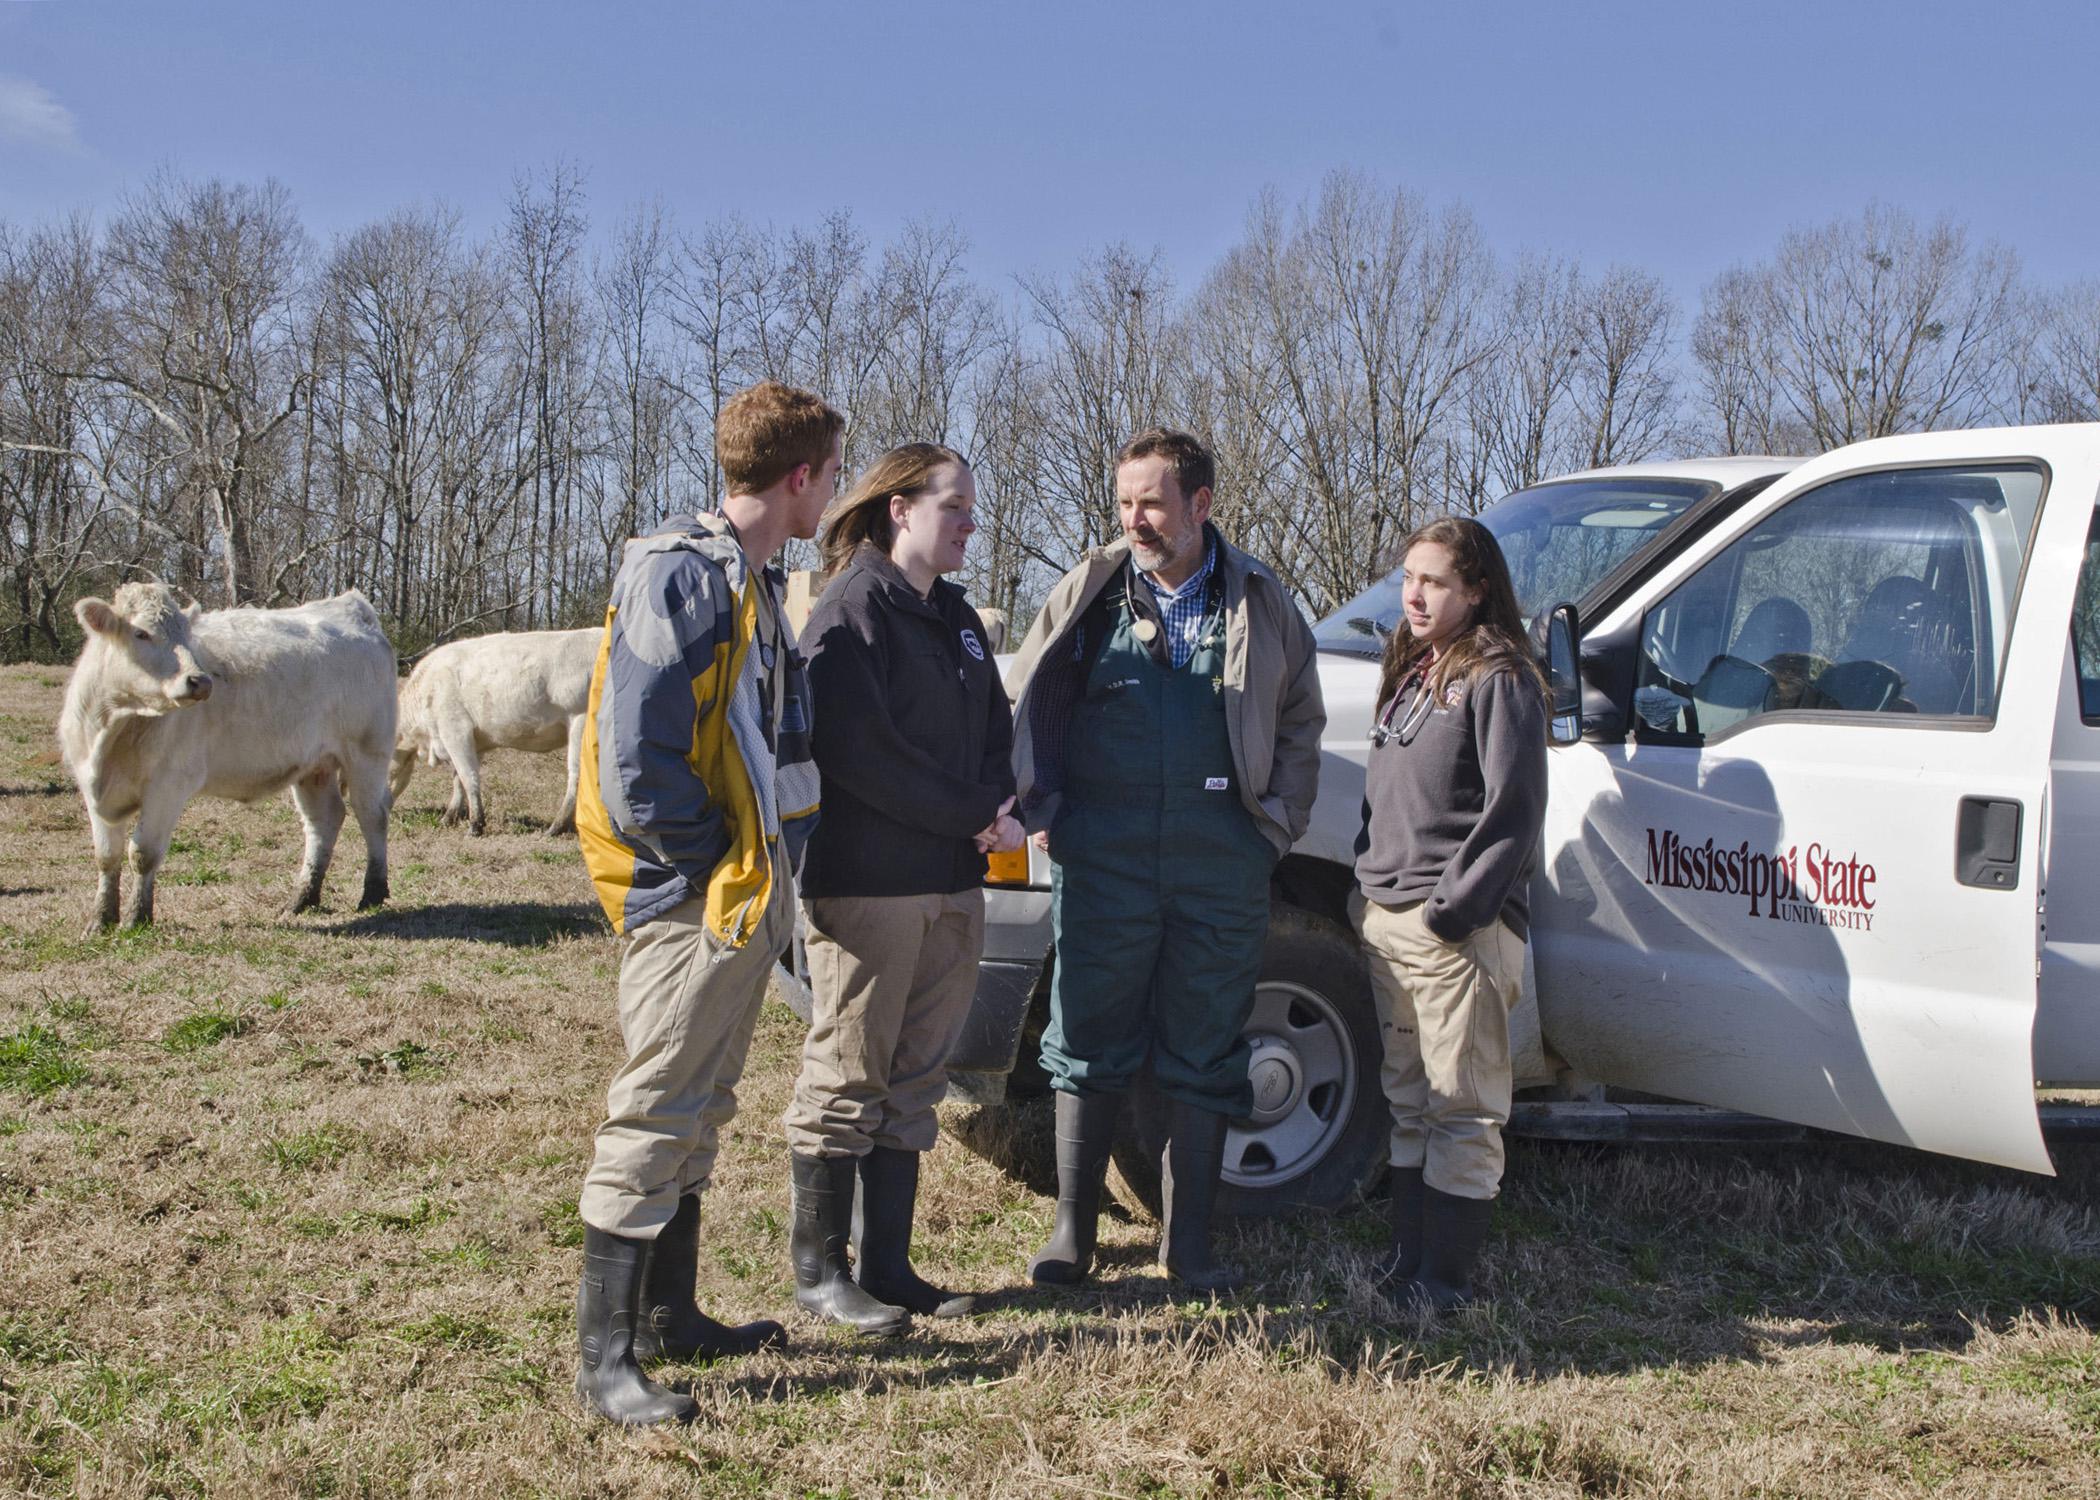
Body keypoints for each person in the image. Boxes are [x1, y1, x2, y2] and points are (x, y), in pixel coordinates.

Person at [571, 379, 842, 1426]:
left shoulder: (754, 579)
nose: (831, 496)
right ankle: (606, 1364)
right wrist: (709, 866)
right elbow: (638, 765)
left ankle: (669, 1316)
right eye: (829, 477)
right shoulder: (682, 576)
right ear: (800, 476)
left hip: (743, 894)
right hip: (697, 898)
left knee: (703, 1105)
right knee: (654, 1110)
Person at [1007, 428, 1324, 1293]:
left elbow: (1300, 717)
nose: (1134, 520)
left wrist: (1276, 827)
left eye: (1150, 502)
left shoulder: (1260, 596)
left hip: (1220, 855)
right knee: (1087, 1032)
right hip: (1101, 852)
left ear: (1200, 505)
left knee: (1206, 1038)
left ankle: (1188, 1245)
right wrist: (1042, 806)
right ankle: (1072, 1232)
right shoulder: (1090, 589)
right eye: (1124, 503)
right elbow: (1028, 694)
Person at [781, 443, 1023, 1331]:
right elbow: (861, 756)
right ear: (898, 510)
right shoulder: (849, 615)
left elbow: (996, 728)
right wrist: (970, 809)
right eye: (954, 505)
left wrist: (999, 804)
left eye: (969, 506)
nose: (969, 521)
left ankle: (888, 1265)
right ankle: (820, 1272)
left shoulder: (956, 618)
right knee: (847, 1078)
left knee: (914, 1081)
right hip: (871, 890)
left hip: (953, 886)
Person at [1351, 516, 1549, 1313]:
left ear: (1476, 589)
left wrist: (1452, 912)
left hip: (1454, 934)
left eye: (1434, 580)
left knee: (1461, 1107)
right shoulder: (1413, 671)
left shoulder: (1499, 677)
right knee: (1409, 1102)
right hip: (1388, 920)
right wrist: (1368, 890)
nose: (1415, 594)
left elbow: (1516, 811)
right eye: (1408, 578)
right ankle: (1406, 1266)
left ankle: (1445, 1284)